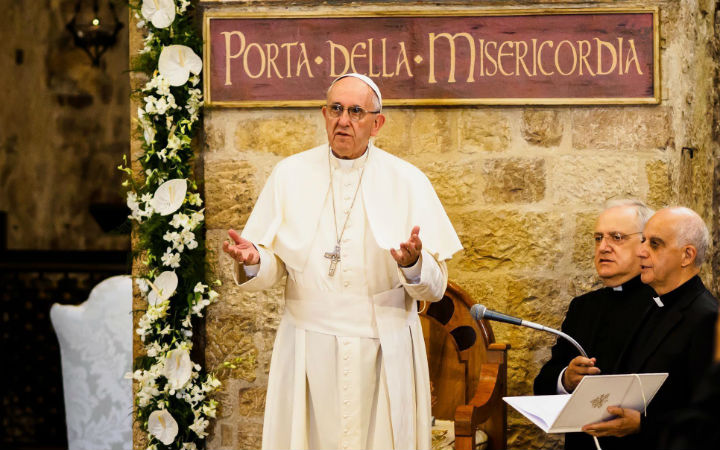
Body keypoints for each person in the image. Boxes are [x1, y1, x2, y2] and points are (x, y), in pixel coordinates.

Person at [222, 73, 462, 450]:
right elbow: (276, 266)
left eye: (355, 111)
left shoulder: (407, 181)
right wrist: (255, 260)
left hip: (384, 347)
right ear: (324, 114)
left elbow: (434, 288)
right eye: (335, 109)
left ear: (377, 123)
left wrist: (413, 264)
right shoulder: (290, 175)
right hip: (307, 348)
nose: (343, 120)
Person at [580, 206, 718, 449]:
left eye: (654, 244)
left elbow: (708, 417)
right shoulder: (656, 303)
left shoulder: (707, 318)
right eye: (643, 240)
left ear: (687, 256)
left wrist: (644, 424)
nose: (641, 251)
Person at [534, 200, 657, 449]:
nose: (603, 247)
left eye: (617, 237)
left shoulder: (662, 307)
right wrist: (566, 379)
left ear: (645, 245)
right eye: (598, 238)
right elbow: (543, 382)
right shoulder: (583, 307)